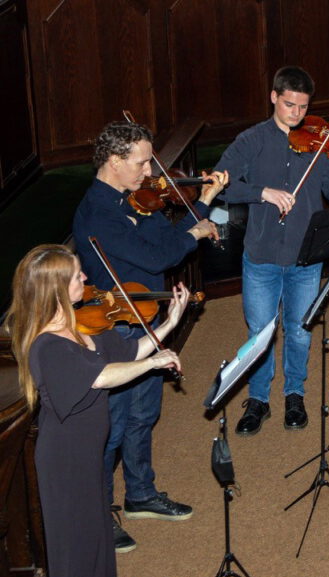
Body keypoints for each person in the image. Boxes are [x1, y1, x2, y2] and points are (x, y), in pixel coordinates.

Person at [72, 120, 227, 552]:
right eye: (140, 163)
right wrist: (193, 232)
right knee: (113, 428)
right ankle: (102, 514)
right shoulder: (99, 213)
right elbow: (159, 253)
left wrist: (204, 205)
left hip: (148, 320)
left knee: (144, 416)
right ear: (114, 161)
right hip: (117, 328)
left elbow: (171, 238)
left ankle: (140, 494)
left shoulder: (136, 202)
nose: (148, 172)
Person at [214, 65, 329, 435]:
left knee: (299, 331)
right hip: (260, 255)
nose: (296, 115)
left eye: (303, 107)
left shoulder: (321, 142)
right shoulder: (251, 140)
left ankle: (295, 394)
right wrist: (262, 192)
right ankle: (258, 399)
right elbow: (220, 183)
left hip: (306, 256)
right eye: (289, 105)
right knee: (259, 332)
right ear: (273, 97)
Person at [4, 244, 189, 576]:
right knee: (77, 548)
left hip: (88, 456)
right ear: (57, 289)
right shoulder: (47, 347)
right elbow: (102, 377)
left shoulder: (78, 328)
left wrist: (169, 324)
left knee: (98, 539)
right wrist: (154, 363)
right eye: (77, 275)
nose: (86, 277)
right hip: (65, 463)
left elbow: (128, 350)